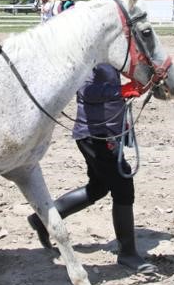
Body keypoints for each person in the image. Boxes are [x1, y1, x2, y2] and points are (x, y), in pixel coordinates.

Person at [27, 64, 156, 273]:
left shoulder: (108, 54)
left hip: (105, 130)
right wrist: (121, 91)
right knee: (123, 187)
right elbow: (86, 91)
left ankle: (42, 220)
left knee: (98, 187)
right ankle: (127, 253)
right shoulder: (92, 57)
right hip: (95, 134)